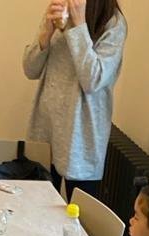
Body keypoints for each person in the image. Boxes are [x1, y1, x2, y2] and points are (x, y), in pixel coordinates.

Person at [23, 0, 127, 198]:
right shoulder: (60, 13)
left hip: (82, 140)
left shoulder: (113, 24)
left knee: (79, 214)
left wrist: (79, 26)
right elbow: (30, 70)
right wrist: (45, 34)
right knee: (38, 206)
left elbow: (93, 80)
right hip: (45, 130)